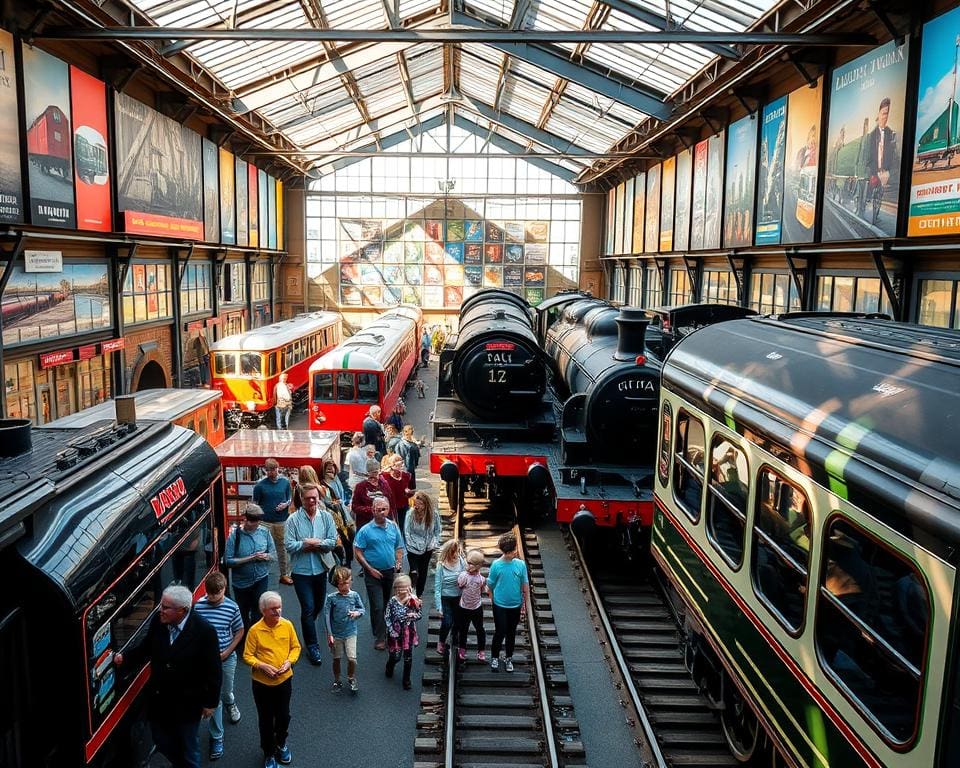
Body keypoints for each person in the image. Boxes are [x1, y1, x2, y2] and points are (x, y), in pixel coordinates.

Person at [113, 585, 221, 768]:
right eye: (161, 606)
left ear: (182, 610)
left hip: (188, 703)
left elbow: (214, 670)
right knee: (160, 740)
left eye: (165, 607)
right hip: (160, 698)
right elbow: (147, 647)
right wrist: (125, 658)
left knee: (189, 747)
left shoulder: (205, 631)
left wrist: (210, 703)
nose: (160, 610)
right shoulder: (159, 621)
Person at [243, 591, 301, 768]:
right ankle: (268, 753)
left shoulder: (287, 625)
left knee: (284, 716)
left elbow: (296, 647)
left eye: (279, 607)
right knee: (266, 719)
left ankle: (281, 743)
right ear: (263, 611)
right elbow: (247, 655)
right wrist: (262, 666)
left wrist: (289, 662)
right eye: (273, 609)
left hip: (284, 681)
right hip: (262, 685)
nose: (278, 611)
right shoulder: (254, 631)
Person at [284, 482, 338, 666]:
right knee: (307, 608)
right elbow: (289, 545)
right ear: (301, 499)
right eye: (308, 498)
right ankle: (312, 646)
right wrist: (305, 544)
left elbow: (332, 542)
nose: (313, 501)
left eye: (315, 497)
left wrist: (314, 543)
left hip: (321, 570)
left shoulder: (326, 518)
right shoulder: (292, 520)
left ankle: (309, 628)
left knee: (317, 606)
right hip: (301, 572)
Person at [193, 572, 244, 761]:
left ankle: (231, 701)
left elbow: (239, 630)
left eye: (217, 593)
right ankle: (217, 736)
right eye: (210, 593)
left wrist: (228, 651)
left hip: (226, 658)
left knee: (225, 692)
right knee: (214, 698)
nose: (213, 598)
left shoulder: (232, 607)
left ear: (223, 589)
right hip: (206, 661)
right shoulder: (198, 606)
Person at [353, 495, 405, 650]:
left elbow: (399, 546)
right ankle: (380, 636)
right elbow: (358, 551)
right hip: (373, 572)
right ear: (373, 510)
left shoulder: (393, 527)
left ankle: (386, 629)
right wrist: (369, 569)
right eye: (378, 509)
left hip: (390, 572)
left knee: (390, 604)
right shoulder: (365, 530)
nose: (382, 512)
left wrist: (398, 562)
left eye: (384, 509)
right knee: (377, 606)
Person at [224, 503, 276, 630]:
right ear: (245, 519)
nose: (255, 524)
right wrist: (251, 558)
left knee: (258, 612)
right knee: (243, 613)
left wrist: (266, 557)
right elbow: (228, 561)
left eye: (258, 521)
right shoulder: (234, 537)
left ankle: (254, 639)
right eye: (253, 521)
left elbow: (274, 555)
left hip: (261, 578)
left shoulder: (264, 532)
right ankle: (243, 640)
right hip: (241, 583)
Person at [487, 532, 529, 673]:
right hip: (500, 605)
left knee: (511, 632)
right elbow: (490, 585)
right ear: (506, 551)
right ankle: (494, 657)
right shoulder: (496, 565)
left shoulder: (521, 565)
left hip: (515, 605)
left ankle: (508, 657)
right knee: (500, 631)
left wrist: (525, 604)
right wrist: (492, 600)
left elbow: (524, 585)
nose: (514, 553)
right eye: (512, 551)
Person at [324, 566, 365, 693]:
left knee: (352, 658)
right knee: (337, 658)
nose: (345, 586)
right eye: (342, 584)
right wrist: (329, 634)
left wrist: (357, 613)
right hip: (336, 634)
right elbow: (326, 616)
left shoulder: (354, 595)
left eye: (347, 583)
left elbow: (362, 609)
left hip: (351, 632)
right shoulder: (332, 598)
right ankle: (337, 679)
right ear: (337, 584)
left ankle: (351, 677)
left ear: (351, 581)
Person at [253, 459, 293, 585]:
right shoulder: (260, 486)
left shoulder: (285, 482)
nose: (272, 472)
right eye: (269, 470)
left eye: (274, 469)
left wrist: (285, 505)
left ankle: (284, 574)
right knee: (262, 548)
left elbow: (289, 498)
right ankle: (260, 574)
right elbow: (255, 504)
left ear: (278, 468)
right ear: (265, 470)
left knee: (283, 548)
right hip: (265, 521)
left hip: (281, 520)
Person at [384, 573, 422, 690]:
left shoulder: (413, 601)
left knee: (408, 657)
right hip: (395, 632)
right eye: (400, 587)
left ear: (410, 587)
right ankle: (390, 666)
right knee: (395, 656)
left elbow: (419, 614)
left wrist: (413, 615)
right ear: (395, 589)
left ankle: (406, 680)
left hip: (408, 633)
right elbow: (388, 616)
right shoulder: (393, 601)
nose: (403, 590)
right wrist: (391, 630)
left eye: (405, 587)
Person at [404, 491, 441, 597]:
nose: (417, 506)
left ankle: (419, 594)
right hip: (413, 546)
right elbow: (407, 531)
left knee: (423, 570)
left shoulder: (433, 514)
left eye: (420, 504)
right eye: (416, 504)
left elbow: (437, 531)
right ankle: (411, 591)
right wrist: (411, 544)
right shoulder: (410, 514)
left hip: (427, 546)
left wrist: (434, 543)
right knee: (414, 570)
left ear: (425, 504)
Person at [433, 539, 466, 658]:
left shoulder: (462, 561)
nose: (455, 555)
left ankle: (454, 639)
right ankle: (441, 641)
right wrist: (439, 607)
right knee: (447, 622)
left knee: (457, 622)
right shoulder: (441, 565)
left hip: (458, 596)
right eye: (453, 553)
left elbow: (466, 576)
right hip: (445, 597)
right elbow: (437, 587)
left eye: (456, 552)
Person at [456, 549, 487, 662]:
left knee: (480, 629)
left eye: (470, 564)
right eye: (467, 562)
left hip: (476, 607)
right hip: (464, 607)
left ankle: (481, 650)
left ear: (478, 566)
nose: (468, 565)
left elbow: (482, 589)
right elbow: (460, 585)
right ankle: (462, 649)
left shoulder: (481, 578)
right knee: (463, 629)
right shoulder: (464, 576)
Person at [322, 460, 355, 566]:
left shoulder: (337, 480)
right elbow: (325, 501)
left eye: (332, 468)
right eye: (328, 469)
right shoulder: (322, 484)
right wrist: (333, 503)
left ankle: (348, 561)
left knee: (348, 537)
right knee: (338, 540)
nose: (331, 470)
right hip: (332, 515)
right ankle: (340, 562)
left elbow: (341, 496)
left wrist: (341, 503)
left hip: (342, 513)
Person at [351, 458, 394, 530]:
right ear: (368, 473)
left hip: (384, 524)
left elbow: (391, 504)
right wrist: (371, 510)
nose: (376, 475)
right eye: (373, 472)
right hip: (367, 525)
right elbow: (355, 507)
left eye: (377, 472)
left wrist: (392, 521)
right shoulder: (361, 486)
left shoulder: (384, 484)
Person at [381, 454, 415, 534]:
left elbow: (410, 490)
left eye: (402, 463)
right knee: (390, 527)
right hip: (390, 507)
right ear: (392, 465)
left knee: (402, 527)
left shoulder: (407, 475)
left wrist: (409, 492)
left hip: (403, 505)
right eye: (398, 464)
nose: (401, 466)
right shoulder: (384, 476)